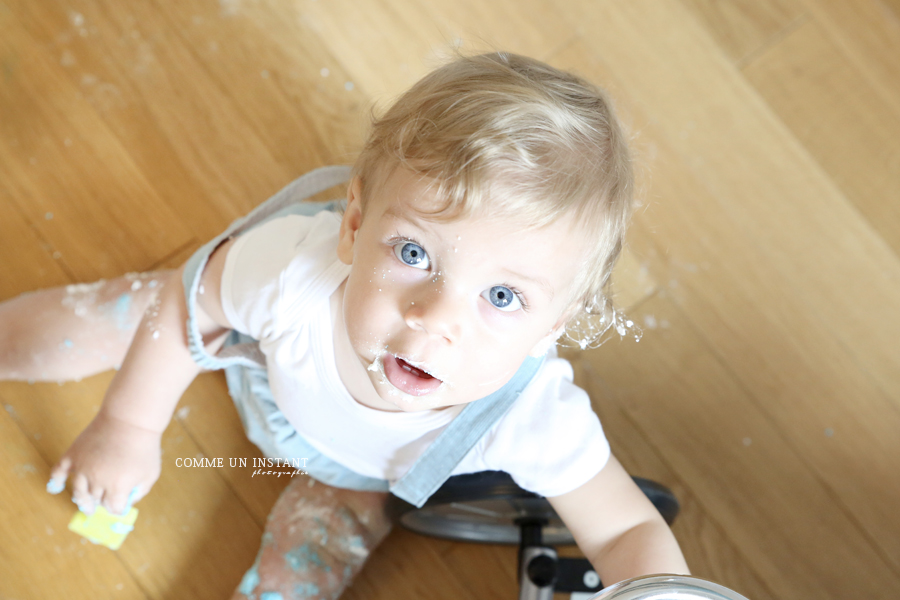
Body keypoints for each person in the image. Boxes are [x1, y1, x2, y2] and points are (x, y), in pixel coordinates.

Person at [1, 52, 689, 598]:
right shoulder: (288, 274)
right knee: (112, 316)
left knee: (299, 573)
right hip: (252, 351)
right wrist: (128, 425)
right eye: (414, 254)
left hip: (350, 479)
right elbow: (186, 310)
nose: (433, 320)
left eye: (503, 297)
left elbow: (628, 527)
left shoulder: (533, 417)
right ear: (354, 227)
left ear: (553, 327)